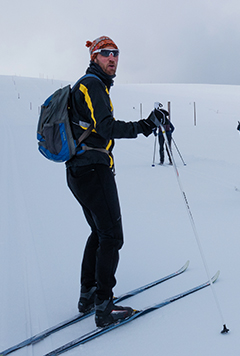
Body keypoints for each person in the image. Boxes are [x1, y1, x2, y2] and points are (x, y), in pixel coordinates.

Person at [66, 36, 159, 327]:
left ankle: (88, 293)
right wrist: (146, 125)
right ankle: (105, 306)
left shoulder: (89, 84)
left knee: (98, 232)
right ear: (94, 57)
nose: (112, 58)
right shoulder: (92, 84)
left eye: (116, 54)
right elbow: (105, 128)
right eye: (105, 53)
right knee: (112, 237)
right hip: (93, 170)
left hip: (79, 171)